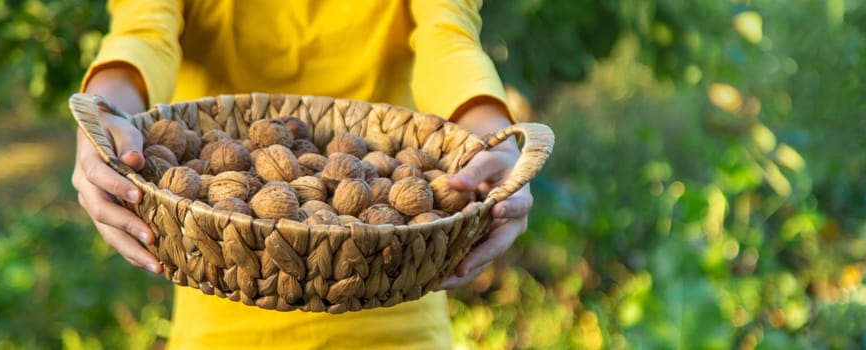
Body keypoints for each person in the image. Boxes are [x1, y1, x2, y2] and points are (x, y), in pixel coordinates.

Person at [72, 0, 533, 348]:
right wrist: (104, 114)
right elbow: (144, 31)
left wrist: (491, 135)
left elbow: (447, 39)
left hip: (390, 281)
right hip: (227, 281)